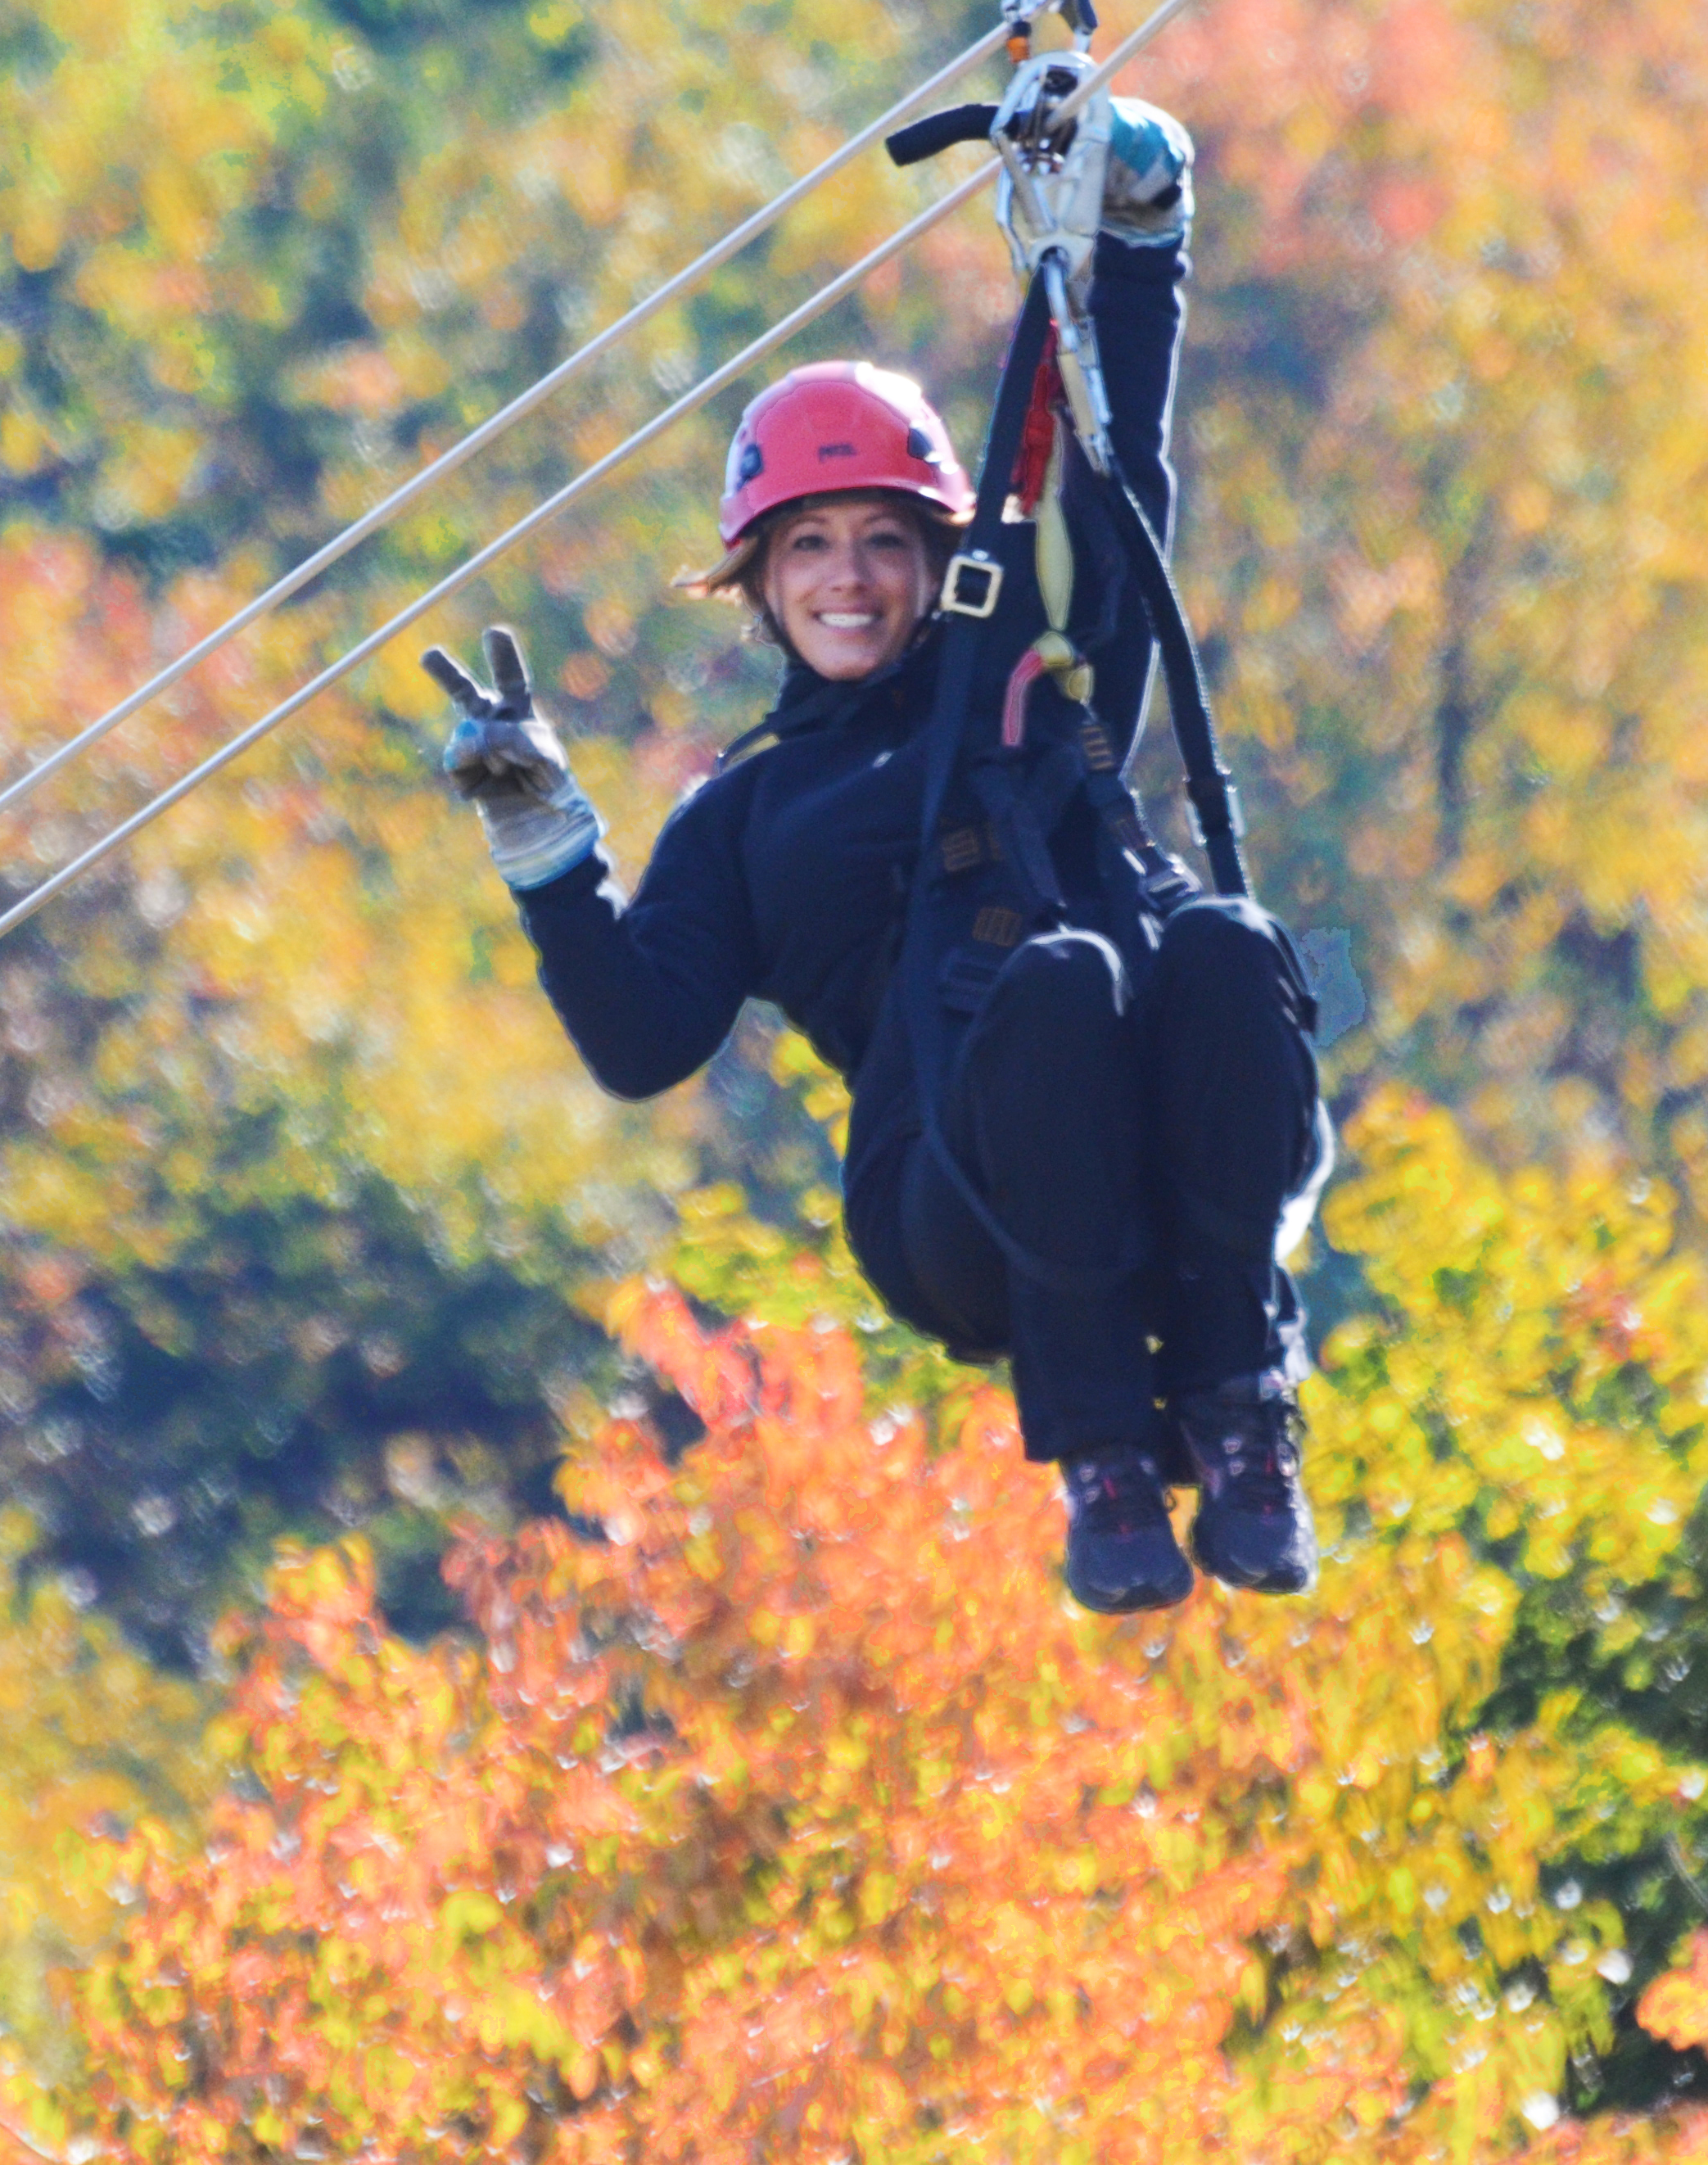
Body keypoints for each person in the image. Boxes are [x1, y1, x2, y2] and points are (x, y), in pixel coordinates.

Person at [422, 90, 1330, 1615]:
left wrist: (1137, 236)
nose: (850, 579)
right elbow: (644, 1042)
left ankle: (1246, 1419)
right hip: (961, 1206)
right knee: (1047, 988)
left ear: (935, 558)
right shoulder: (750, 819)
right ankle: (1103, 1456)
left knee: (1226, 947)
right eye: (811, 548)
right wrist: (545, 848)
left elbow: (1121, 491)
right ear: (761, 587)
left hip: (1182, 1153)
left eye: (884, 541)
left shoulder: (1036, 675)